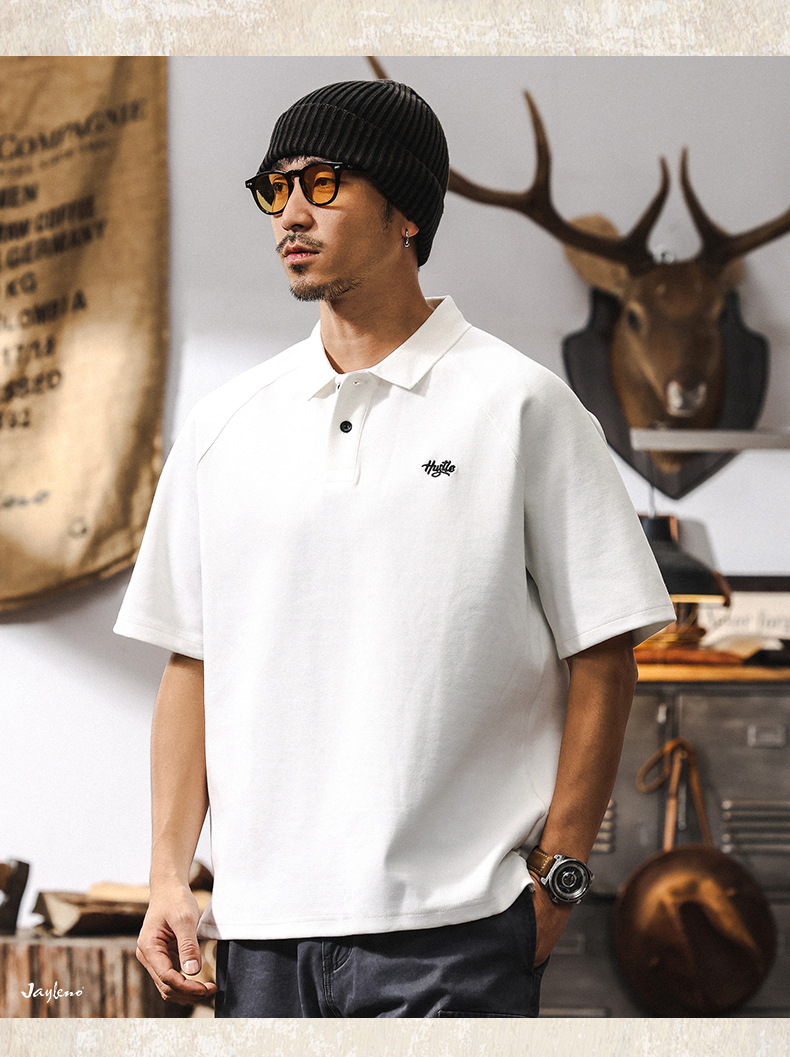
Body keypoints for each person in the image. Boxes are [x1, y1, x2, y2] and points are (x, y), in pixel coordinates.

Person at [114, 77, 675, 1018]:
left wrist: (560, 876)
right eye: (276, 188)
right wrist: (169, 874)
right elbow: (191, 662)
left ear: (407, 211)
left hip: (459, 931)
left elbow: (606, 654)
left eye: (323, 183)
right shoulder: (223, 426)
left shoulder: (523, 406)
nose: (291, 213)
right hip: (261, 934)